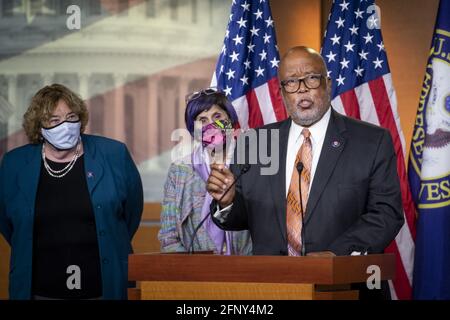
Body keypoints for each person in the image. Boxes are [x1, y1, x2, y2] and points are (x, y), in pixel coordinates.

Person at [207, 47, 404, 297]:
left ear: (328, 84)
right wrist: (228, 202)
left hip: (345, 288)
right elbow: (242, 216)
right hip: (271, 289)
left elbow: (387, 213)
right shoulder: (255, 143)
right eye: (291, 82)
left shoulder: (371, 141)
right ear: (281, 93)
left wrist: (336, 255)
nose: (301, 88)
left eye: (311, 78)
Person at [0, 84, 143, 300]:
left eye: (71, 117)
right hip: (39, 289)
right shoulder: (15, 163)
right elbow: (8, 223)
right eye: (54, 120)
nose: (65, 126)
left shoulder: (114, 153)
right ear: (39, 127)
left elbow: (131, 213)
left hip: (104, 286)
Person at [158, 88, 252, 255]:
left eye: (217, 116)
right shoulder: (179, 171)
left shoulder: (252, 163)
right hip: (195, 274)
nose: (211, 125)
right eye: (202, 119)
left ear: (230, 119)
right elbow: (169, 237)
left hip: (248, 271)